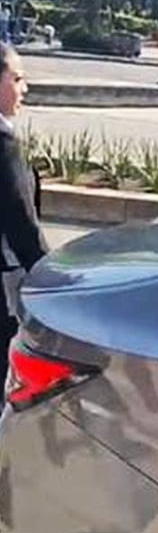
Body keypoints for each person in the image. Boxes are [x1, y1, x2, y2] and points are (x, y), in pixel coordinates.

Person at [0, 43, 47, 374]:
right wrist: (51, 276)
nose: (24, 88)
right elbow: (22, 227)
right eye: (17, 79)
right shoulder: (4, 148)